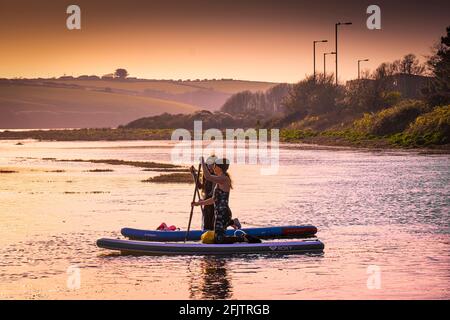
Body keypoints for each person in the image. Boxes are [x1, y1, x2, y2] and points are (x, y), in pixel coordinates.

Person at [192, 157, 253, 244]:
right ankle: (232, 222)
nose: (213, 168)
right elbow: (213, 199)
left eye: (215, 166)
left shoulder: (224, 179)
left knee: (219, 240)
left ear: (219, 168)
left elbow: (207, 176)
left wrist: (202, 163)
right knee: (218, 238)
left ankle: (242, 239)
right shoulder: (219, 180)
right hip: (219, 213)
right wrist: (198, 203)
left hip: (223, 213)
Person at [197, 155, 217, 231]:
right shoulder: (206, 176)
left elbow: (213, 192)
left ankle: (232, 222)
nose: (209, 167)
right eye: (208, 165)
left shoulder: (215, 176)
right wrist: (194, 175)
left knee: (211, 223)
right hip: (206, 202)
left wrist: (202, 202)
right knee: (206, 222)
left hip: (212, 202)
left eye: (211, 165)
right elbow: (200, 187)